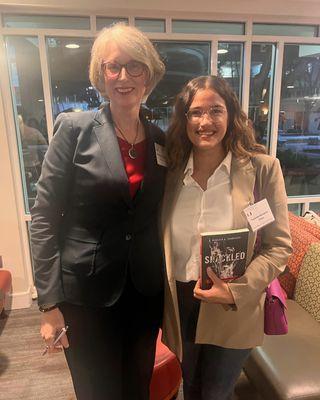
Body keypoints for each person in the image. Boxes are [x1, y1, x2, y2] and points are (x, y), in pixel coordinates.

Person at [30, 23, 166, 400]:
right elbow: (44, 217)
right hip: (86, 297)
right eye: (113, 66)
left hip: (144, 294)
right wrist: (49, 305)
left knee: (138, 387)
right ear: (100, 75)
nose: (124, 76)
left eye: (134, 66)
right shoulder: (74, 129)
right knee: (96, 391)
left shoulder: (160, 139)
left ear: (148, 74)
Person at [161, 75, 292, 400]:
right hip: (181, 304)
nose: (205, 121)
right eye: (195, 112)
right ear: (184, 119)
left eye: (215, 111)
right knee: (189, 388)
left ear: (231, 115)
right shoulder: (171, 172)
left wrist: (237, 291)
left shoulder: (262, 169)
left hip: (234, 306)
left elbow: (278, 247)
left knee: (216, 393)